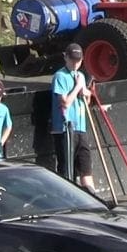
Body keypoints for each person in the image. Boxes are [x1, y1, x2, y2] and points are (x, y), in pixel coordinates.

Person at [50, 43, 96, 193]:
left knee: (85, 166)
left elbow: (85, 102)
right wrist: (77, 87)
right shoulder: (60, 76)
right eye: (72, 60)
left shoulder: (81, 76)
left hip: (80, 127)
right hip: (65, 129)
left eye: (78, 60)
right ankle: (66, 196)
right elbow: (64, 103)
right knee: (66, 169)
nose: (75, 64)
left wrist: (86, 94)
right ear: (66, 57)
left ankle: (92, 196)